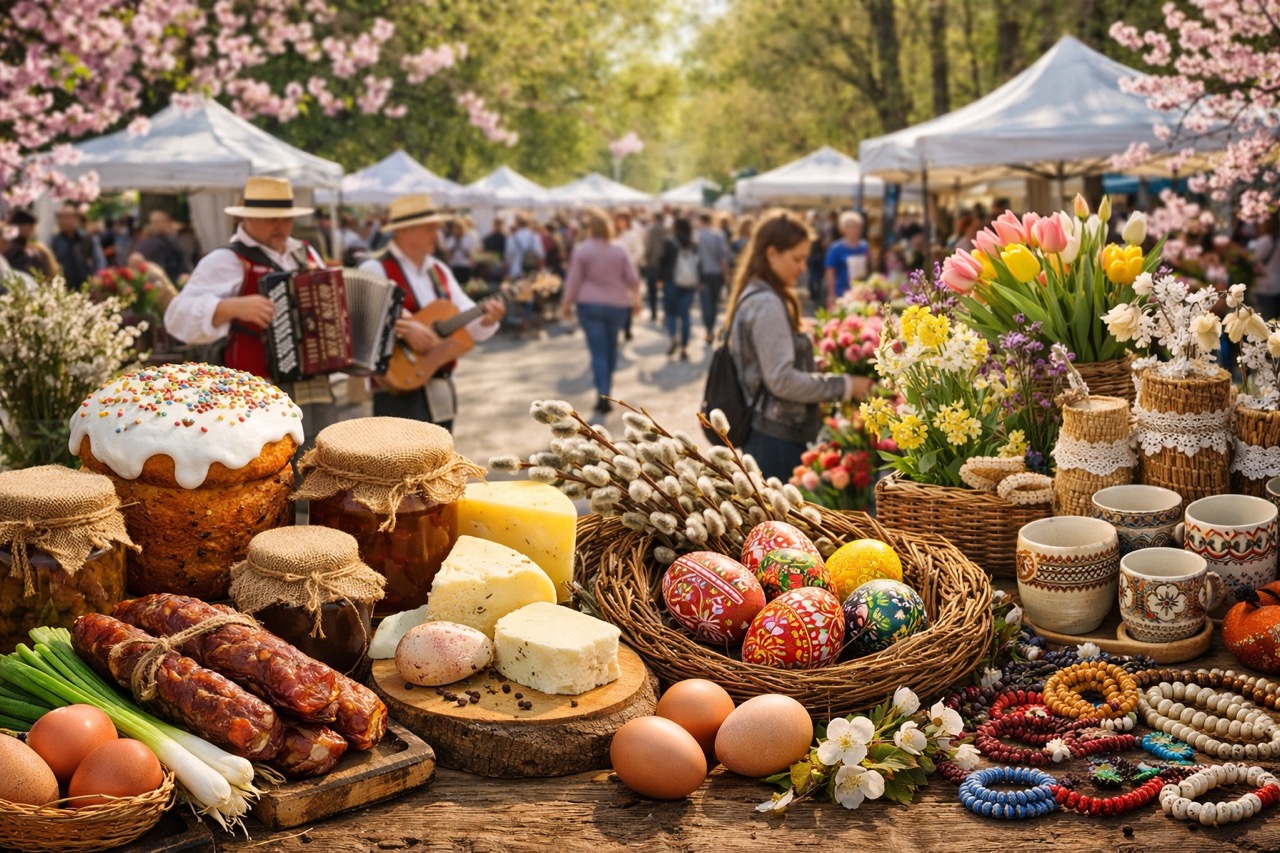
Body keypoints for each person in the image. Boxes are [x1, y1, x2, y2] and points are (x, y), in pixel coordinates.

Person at [163, 177, 343, 431]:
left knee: (317, 462)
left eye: (286, 219)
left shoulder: (306, 253)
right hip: (256, 393)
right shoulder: (226, 260)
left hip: (315, 388)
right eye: (272, 219)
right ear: (245, 219)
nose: (282, 227)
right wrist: (231, 307)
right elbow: (175, 317)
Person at [725, 210, 872, 480]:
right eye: (797, 258)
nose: (803, 267)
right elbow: (781, 380)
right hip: (775, 438)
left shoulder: (758, 292)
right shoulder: (766, 302)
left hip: (769, 434)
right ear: (771, 253)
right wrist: (846, 385)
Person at [359, 194, 505, 432]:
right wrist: (405, 327)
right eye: (430, 228)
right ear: (406, 231)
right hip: (396, 387)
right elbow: (360, 323)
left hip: (440, 389)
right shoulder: (374, 268)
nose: (436, 235)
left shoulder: (439, 270)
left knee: (440, 465)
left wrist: (487, 319)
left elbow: (466, 320)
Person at [559, 207, 640, 414]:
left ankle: (602, 392)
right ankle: (607, 390)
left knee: (598, 351)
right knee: (610, 348)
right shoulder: (619, 249)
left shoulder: (582, 250)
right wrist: (637, 300)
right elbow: (632, 279)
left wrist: (566, 303)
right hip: (617, 304)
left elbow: (574, 281)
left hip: (590, 304)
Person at [661, 217, 698, 361]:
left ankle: (673, 338)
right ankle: (684, 347)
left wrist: (660, 279)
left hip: (671, 281)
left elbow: (663, 261)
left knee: (670, 313)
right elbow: (698, 264)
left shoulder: (670, 242)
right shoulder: (693, 244)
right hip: (689, 283)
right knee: (685, 315)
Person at [695, 212, 732, 343]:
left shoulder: (697, 235)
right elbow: (723, 256)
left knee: (706, 303)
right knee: (715, 302)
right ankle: (711, 327)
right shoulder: (718, 235)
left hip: (702, 274)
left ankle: (708, 329)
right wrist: (725, 274)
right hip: (716, 274)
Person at [51, 204, 105, 290]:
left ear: (76, 219)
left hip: (86, 287)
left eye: (66, 217)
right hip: (63, 288)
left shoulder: (88, 239)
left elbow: (99, 262)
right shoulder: (55, 241)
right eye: (60, 217)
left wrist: (96, 279)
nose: (63, 221)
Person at [823, 210, 870, 309]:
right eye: (851, 226)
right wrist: (831, 294)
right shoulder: (836, 248)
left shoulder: (864, 246)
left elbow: (869, 267)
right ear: (844, 228)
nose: (855, 229)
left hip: (861, 293)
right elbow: (830, 271)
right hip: (841, 293)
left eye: (857, 226)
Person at [134, 210, 190, 282]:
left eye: (159, 221)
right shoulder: (147, 243)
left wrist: (184, 273)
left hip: (175, 278)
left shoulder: (175, 240)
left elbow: (182, 261)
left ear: (167, 222)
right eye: (154, 222)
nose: (156, 225)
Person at [3, 209, 58, 280]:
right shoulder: (6, 250)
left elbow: (49, 275)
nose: (33, 230)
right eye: (30, 226)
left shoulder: (39, 251)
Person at [642, 209, 668, 322]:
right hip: (666, 265)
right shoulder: (668, 230)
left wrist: (645, 259)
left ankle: (653, 313)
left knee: (652, 291)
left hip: (652, 263)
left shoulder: (650, 230)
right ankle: (665, 313)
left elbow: (647, 247)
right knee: (666, 292)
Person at [505, 213, 544, 281]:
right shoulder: (535, 237)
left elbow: (508, 258)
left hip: (516, 272)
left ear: (517, 223)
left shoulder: (511, 238)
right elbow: (541, 255)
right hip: (531, 272)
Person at [444, 217, 480, 286]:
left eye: (459, 228)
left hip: (465, 265)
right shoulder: (451, 239)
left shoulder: (468, 239)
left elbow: (473, 253)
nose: (458, 230)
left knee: (465, 285)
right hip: (454, 265)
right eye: (456, 228)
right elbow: (447, 254)